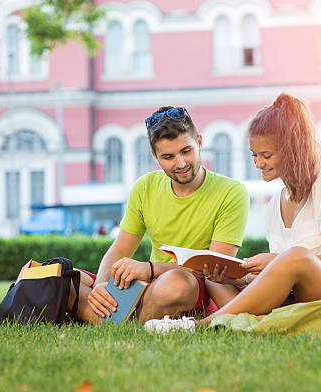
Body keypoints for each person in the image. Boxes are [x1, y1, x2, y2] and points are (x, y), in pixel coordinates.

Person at [144, 93, 321, 332]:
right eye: (254, 155)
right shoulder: (275, 203)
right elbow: (282, 276)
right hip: (297, 298)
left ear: (291, 150)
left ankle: (201, 325)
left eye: (266, 155)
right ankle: (253, 322)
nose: (258, 163)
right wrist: (239, 277)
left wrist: (277, 260)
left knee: (295, 255)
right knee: (214, 281)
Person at [68, 106, 250, 324]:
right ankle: (124, 314)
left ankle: (103, 316)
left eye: (186, 151)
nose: (180, 164)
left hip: (188, 287)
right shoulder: (145, 186)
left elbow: (214, 271)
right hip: (149, 288)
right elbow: (120, 248)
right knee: (65, 277)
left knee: (176, 285)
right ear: (155, 156)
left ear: (199, 143)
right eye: (168, 156)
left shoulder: (231, 192)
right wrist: (100, 288)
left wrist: (150, 269)